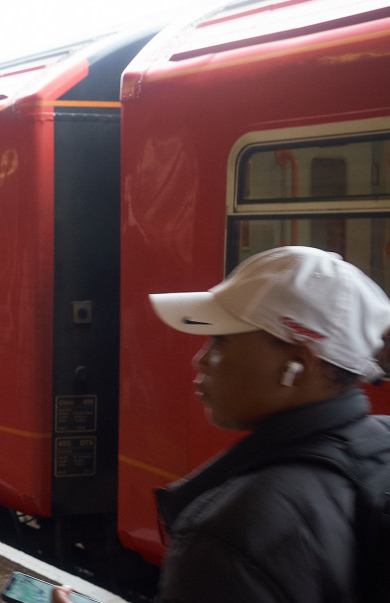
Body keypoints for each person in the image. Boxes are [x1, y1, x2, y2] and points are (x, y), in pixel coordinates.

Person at [56, 246, 390, 603]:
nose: (200, 360)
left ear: (298, 364)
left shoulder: (235, 532)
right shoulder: (379, 447)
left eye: (221, 341)